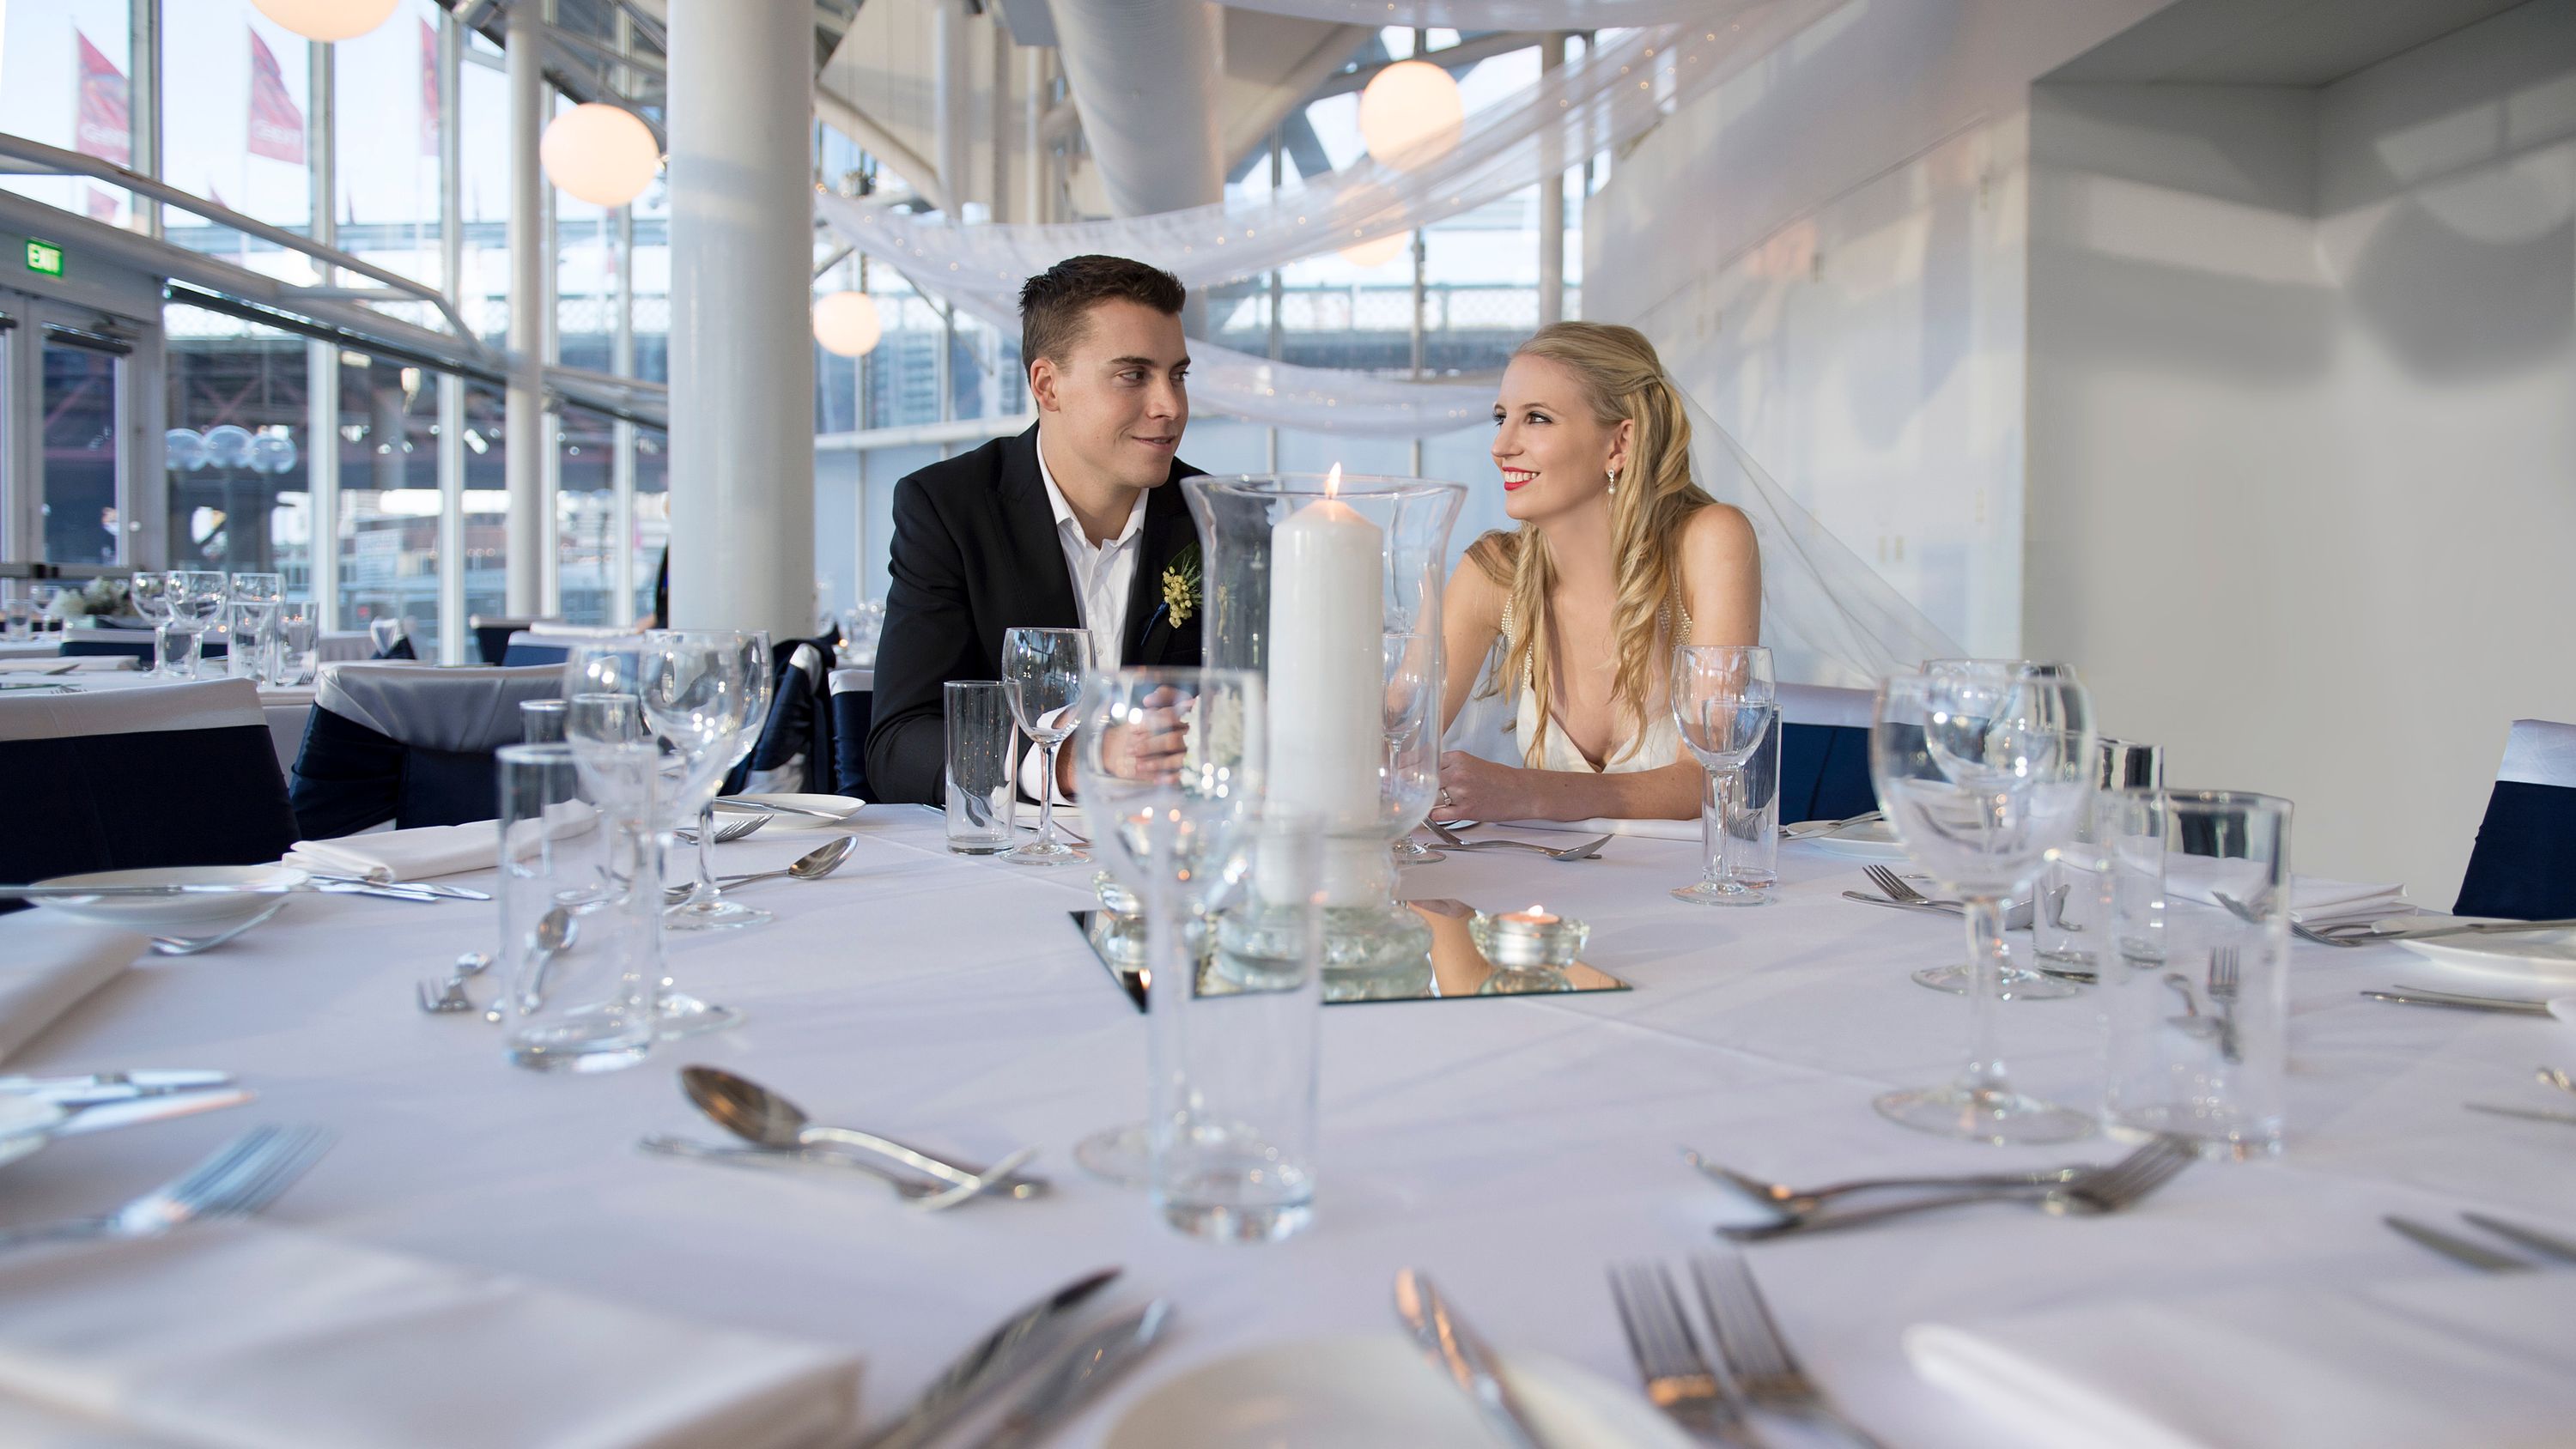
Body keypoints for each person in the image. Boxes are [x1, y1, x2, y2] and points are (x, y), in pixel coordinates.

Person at [866, 255, 1204, 804]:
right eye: (1134, 375)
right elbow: (900, 744)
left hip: (1177, 857)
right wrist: (1068, 764)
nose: (1171, 405)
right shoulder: (949, 509)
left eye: (1178, 375)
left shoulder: (1212, 516)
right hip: (1006, 868)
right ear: (1047, 386)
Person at [1435, 322, 1761, 822]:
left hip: (1694, 890)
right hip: (1554, 892)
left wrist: (1530, 793)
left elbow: (1713, 776)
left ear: (1620, 444)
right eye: (1501, 418)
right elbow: (1397, 736)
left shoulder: (1709, 542)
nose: (1501, 446)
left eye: (1537, 419)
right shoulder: (1494, 573)